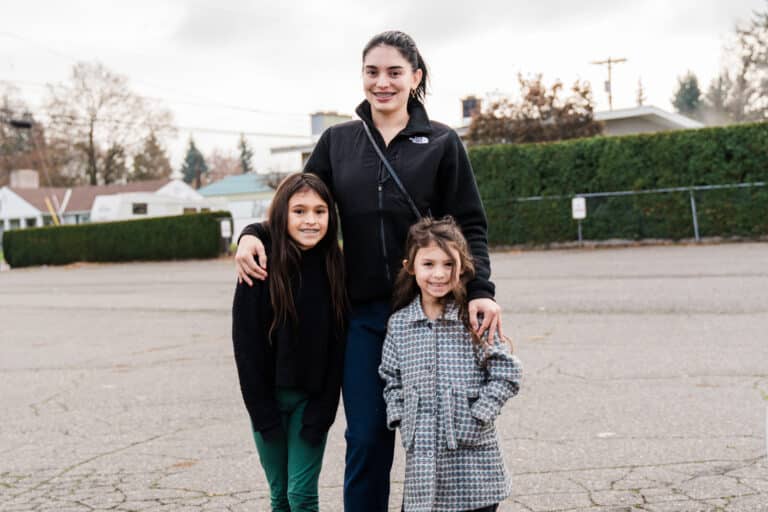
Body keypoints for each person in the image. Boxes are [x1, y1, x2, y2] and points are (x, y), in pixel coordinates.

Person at [235, 30, 506, 511]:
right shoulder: (339, 141)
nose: (382, 82)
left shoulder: (441, 142)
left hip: (432, 315)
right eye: (372, 72)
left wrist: (480, 289)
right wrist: (254, 232)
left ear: (415, 77)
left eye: (394, 72)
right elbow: (301, 201)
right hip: (361, 317)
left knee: (442, 438)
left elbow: (470, 225)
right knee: (365, 438)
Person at [379, 217, 522, 512]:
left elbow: (507, 373)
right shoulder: (400, 324)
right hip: (423, 464)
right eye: (428, 264)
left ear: (463, 267)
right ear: (410, 267)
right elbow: (391, 376)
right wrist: (403, 418)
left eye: (448, 264)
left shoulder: (473, 320)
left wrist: (478, 415)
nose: (439, 274)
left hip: (475, 467)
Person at [231, 173, 347, 512]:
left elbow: (338, 349)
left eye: (320, 211)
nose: (310, 220)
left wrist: (322, 411)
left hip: (310, 406)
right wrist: (261, 412)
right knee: (279, 496)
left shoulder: (336, 268)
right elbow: (246, 346)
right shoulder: (259, 265)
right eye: (299, 211)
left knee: (301, 495)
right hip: (266, 402)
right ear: (281, 214)